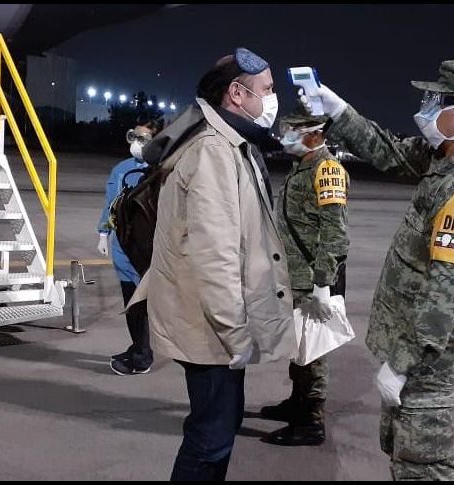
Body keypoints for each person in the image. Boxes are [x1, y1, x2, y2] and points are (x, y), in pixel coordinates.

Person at [302, 60, 454, 480]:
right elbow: (390, 151)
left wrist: (402, 363)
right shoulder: (451, 156)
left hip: (432, 358)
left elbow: (445, 290)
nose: (426, 108)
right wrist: (338, 110)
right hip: (419, 347)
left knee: (425, 468)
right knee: (404, 456)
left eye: (437, 100)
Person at [133, 47, 296, 481]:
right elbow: (215, 255)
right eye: (267, 90)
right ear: (237, 94)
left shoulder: (229, 143)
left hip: (211, 323)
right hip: (210, 327)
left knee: (217, 429)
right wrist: (234, 331)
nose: (272, 99)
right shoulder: (213, 151)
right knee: (211, 438)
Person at [259, 109, 349, 447]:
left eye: (293, 129)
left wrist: (323, 285)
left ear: (316, 133)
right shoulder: (303, 167)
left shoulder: (327, 171)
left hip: (313, 280)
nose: (286, 135)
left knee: (314, 351)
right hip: (294, 276)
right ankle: (297, 403)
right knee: (300, 346)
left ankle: (312, 420)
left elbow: (335, 233)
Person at [97, 116, 162, 376]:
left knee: (141, 303)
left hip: (145, 250)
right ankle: (137, 346)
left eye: (143, 139)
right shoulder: (121, 168)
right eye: (133, 137)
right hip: (122, 248)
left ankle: (142, 357)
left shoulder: (159, 171)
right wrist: (103, 232)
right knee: (130, 302)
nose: (136, 143)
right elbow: (110, 204)